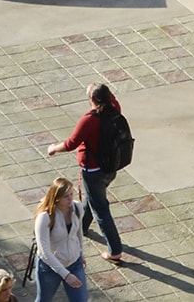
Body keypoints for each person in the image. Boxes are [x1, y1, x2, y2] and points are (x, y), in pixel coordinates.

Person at [47, 83, 128, 264]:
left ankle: (115, 251)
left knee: (101, 209)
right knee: (92, 200)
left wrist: (53, 148)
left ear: (91, 99)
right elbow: (111, 99)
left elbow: (71, 143)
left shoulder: (90, 120)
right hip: (110, 168)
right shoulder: (115, 109)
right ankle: (81, 227)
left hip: (94, 171)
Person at [33, 176, 88, 302]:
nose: (70, 199)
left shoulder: (77, 208)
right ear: (57, 198)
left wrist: (80, 253)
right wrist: (66, 275)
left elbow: (78, 233)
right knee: (44, 299)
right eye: (66, 196)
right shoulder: (45, 217)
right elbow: (43, 251)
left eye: (71, 194)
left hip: (74, 263)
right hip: (50, 267)